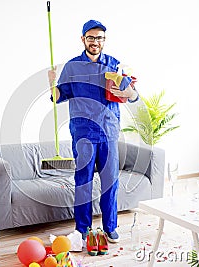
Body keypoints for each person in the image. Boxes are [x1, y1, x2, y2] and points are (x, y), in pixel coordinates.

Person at [48, 19, 139, 243]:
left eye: (99, 38)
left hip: (108, 131)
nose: (95, 42)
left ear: (104, 40)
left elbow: (134, 96)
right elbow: (58, 98)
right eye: (91, 38)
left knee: (110, 181)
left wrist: (127, 91)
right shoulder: (72, 66)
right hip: (83, 133)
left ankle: (110, 227)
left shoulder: (115, 65)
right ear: (83, 39)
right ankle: (83, 229)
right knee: (83, 181)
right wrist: (51, 84)